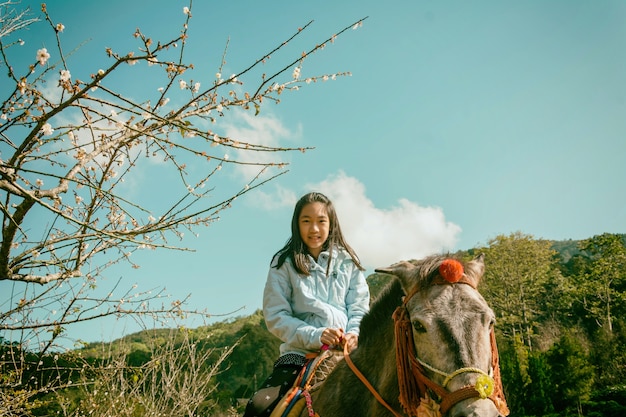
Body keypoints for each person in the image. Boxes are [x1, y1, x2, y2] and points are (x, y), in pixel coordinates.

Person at [242, 192, 370, 417]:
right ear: (296, 224)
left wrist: (354, 333)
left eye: (321, 221)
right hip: (299, 355)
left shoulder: (348, 262)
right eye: (306, 221)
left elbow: (359, 307)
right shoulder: (284, 263)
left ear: (331, 225)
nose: (314, 229)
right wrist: (316, 335)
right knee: (259, 407)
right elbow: (276, 317)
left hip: (348, 353)